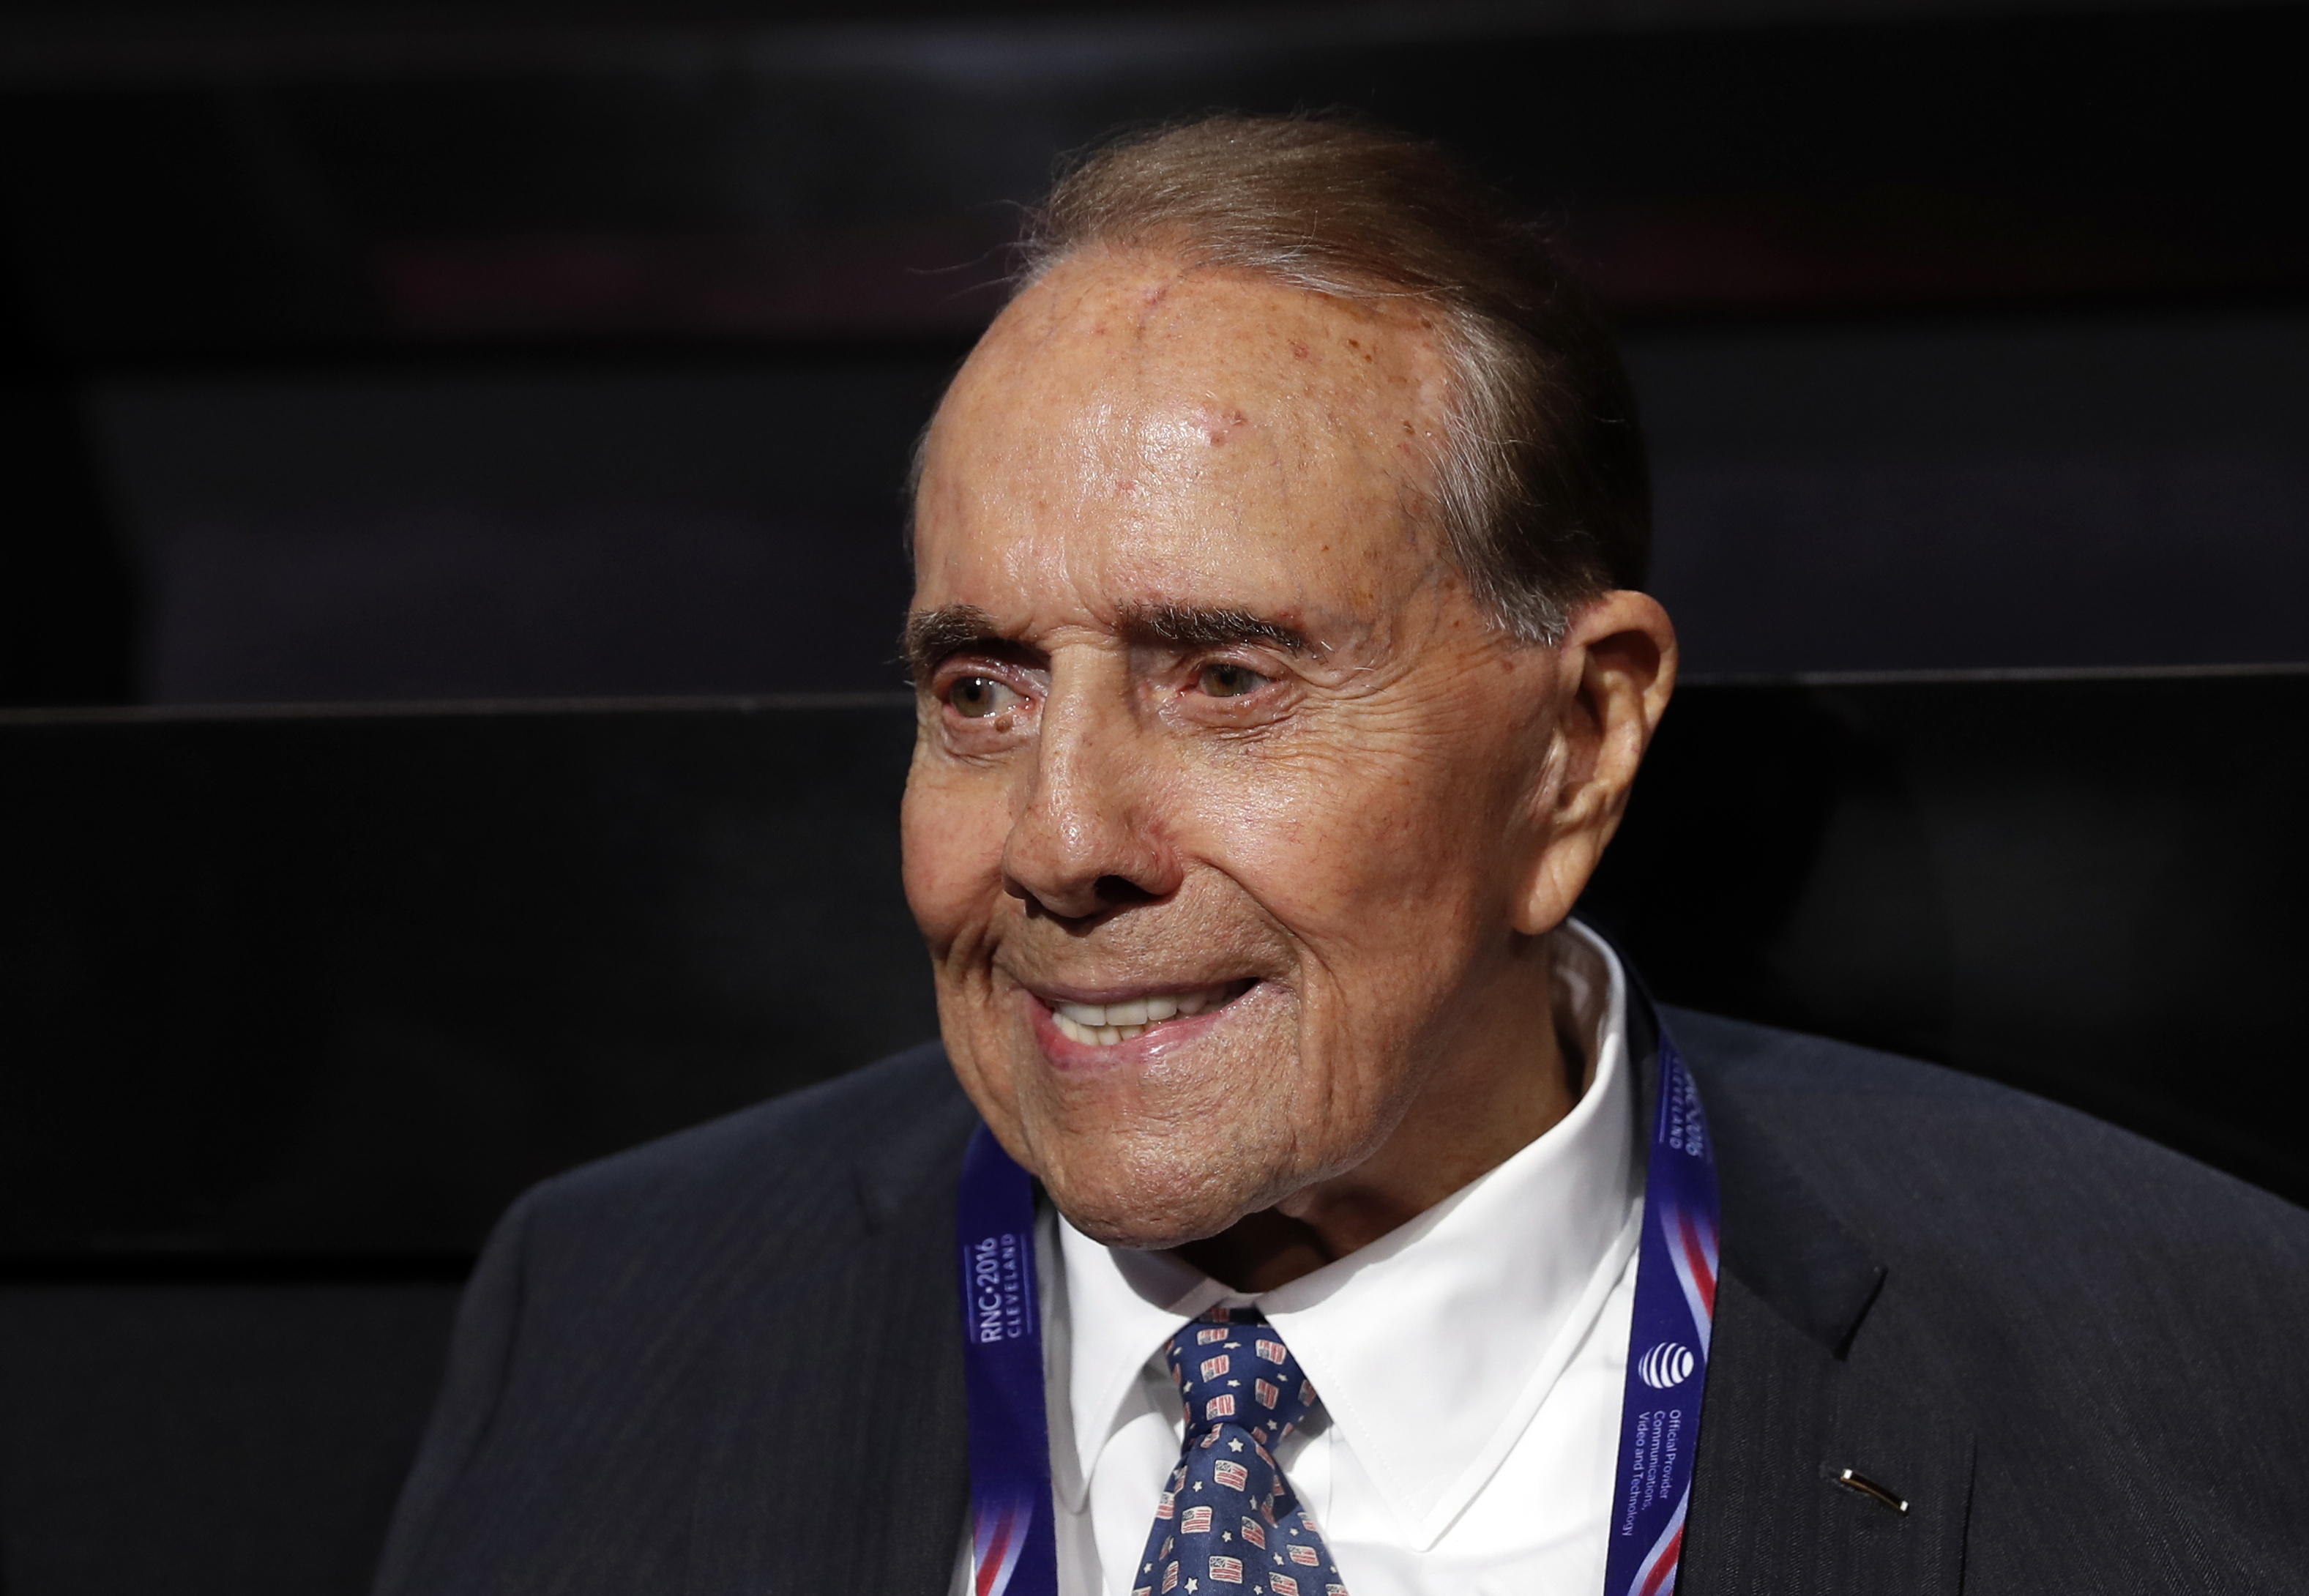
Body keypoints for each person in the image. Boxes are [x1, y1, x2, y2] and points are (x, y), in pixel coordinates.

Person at [372, 116, 2309, 1596]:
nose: (1057, 841)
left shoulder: (2172, 1347)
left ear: (1577, 739)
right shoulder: (621, 1305)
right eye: (977, 690)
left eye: (1222, 675)